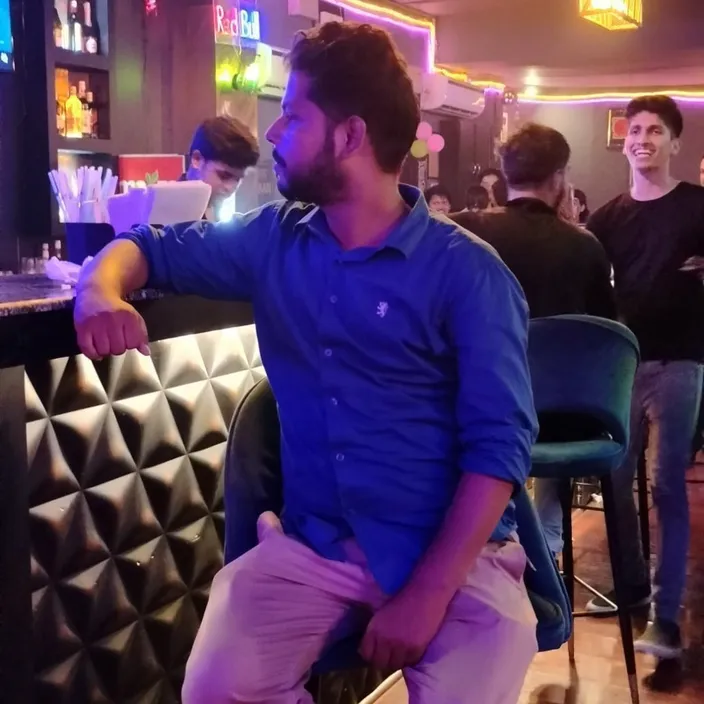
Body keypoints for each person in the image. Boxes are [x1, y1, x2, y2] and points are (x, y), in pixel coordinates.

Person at [73, 21, 538, 704]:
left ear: (348, 136)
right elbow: (150, 246)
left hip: (457, 558)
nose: (271, 133)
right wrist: (94, 291)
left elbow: (500, 450)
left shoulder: (468, 273)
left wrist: (426, 594)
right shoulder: (275, 240)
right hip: (318, 549)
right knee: (216, 690)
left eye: (291, 116)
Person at [453, 124, 616, 556]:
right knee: (552, 404)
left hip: (471, 416)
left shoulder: (461, 233)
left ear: (505, 175)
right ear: (560, 178)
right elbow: (602, 339)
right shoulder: (586, 248)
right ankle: (544, 546)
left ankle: (489, 538)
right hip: (563, 424)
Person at [586, 95, 704, 671]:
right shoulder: (606, 219)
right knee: (613, 478)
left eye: (655, 130)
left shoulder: (698, 206)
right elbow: (590, 289)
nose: (642, 139)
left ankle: (667, 614)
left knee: (666, 487)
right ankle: (632, 588)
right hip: (625, 365)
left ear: (674, 143)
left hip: (683, 361)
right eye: (635, 130)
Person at [182, 115, 260, 218]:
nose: (230, 188)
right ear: (197, 159)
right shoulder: (163, 214)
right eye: (224, 176)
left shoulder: (219, 214)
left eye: (237, 179)